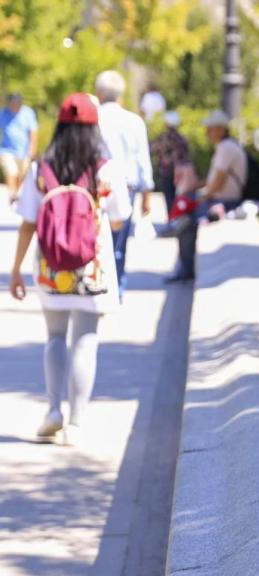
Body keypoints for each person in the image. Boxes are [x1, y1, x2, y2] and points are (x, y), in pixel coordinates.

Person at [8, 93, 132, 445]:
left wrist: (16, 269)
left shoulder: (41, 167)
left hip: (50, 268)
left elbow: (28, 223)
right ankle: (76, 423)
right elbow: (122, 218)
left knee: (55, 338)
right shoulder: (104, 166)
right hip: (92, 269)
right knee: (86, 340)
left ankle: (52, 410)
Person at [165, 110, 245, 283]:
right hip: (220, 198)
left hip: (224, 201)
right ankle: (185, 267)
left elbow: (218, 182)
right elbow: (214, 180)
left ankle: (185, 270)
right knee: (184, 215)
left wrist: (200, 197)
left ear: (221, 130)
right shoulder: (225, 146)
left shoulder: (225, 148)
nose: (207, 132)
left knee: (185, 223)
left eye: (210, 128)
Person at [95, 70, 154, 298]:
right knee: (119, 243)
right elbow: (143, 160)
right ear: (120, 96)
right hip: (126, 188)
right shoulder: (134, 121)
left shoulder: (94, 118)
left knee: (98, 237)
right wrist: (147, 195)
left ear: (99, 93)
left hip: (99, 187)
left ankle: (100, 285)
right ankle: (116, 288)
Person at [0, 93, 39, 206]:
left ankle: (16, 192)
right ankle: (12, 194)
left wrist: (33, 149)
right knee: (12, 171)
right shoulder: (3, 113)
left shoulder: (27, 113)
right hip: (6, 150)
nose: (15, 105)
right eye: (13, 102)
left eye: (17, 102)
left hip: (24, 151)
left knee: (21, 174)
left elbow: (33, 132)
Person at [150, 110, 190, 217]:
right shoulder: (181, 138)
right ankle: (180, 217)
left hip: (167, 171)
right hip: (181, 171)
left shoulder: (163, 137)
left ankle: (172, 218)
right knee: (180, 196)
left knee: (169, 196)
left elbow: (152, 148)